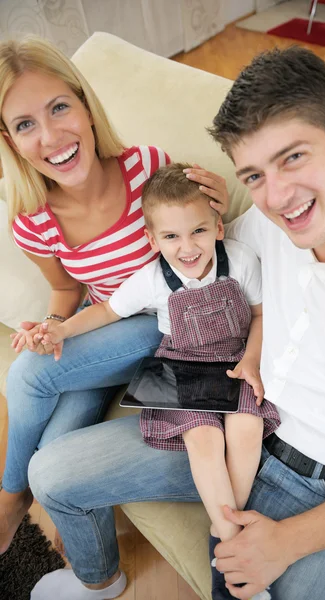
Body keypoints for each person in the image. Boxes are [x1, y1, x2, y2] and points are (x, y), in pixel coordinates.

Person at [26, 44, 325, 600]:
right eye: (254, 174)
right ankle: (98, 581)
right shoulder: (268, 225)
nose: (278, 198)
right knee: (50, 474)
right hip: (217, 423)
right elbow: (191, 258)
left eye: (293, 157)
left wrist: (288, 540)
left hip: (319, 488)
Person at [0, 35, 228, 576]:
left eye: (59, 107)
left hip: (164, 323)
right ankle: (97, 567)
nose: (51, 135)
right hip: (105, 334)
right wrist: (54, 327)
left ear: (86, 105)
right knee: (49, 454)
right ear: (8, 140)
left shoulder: (146, 166)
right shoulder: (32, 220)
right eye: (25, 124)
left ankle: (8, 500)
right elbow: (66, 292)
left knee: (28, 375)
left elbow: (199, 245)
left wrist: (218, 207)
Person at [40, 162, 280, 600]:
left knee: (247, 430)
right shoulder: (152, 280)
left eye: (198, 232)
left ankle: (223, 526)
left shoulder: (242, 260)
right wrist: (61, 329)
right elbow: (108, 310)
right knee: (204, 437)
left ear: (218, 227)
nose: (187, 247)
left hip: (236, 360)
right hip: (181, 367)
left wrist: (252, 359)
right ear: (153, 239)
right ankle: (233, 545)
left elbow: (261, 315)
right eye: (171, 236)